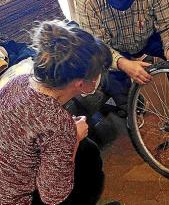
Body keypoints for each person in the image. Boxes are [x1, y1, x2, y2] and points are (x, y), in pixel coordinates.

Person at [0, 20, 112, 205]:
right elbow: (53, 196)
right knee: (88, 155)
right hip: (15, 199)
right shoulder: (58, 123)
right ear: (80, 83)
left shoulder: (18, 81)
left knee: (87, 149)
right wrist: (73, 138)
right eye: (98, 73)